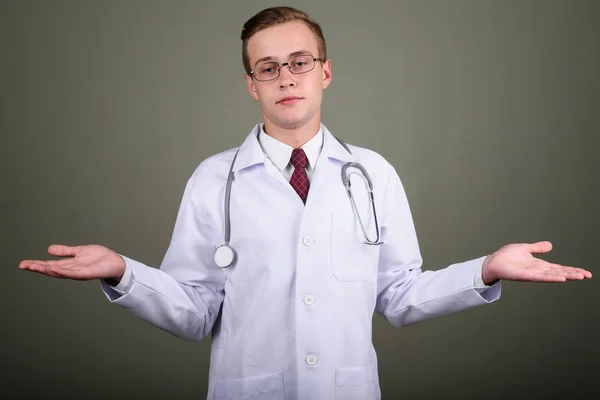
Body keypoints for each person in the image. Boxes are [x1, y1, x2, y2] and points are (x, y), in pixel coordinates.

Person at [19, 6, 591, 400]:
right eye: (268, 68)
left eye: (299, 62)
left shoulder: (373, 174)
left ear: (325, 71)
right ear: (252, 83)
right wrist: (123, 272)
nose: (285, 77)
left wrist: (485, 269)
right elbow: (194, 312)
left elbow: (399, 295)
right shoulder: (214, 179)